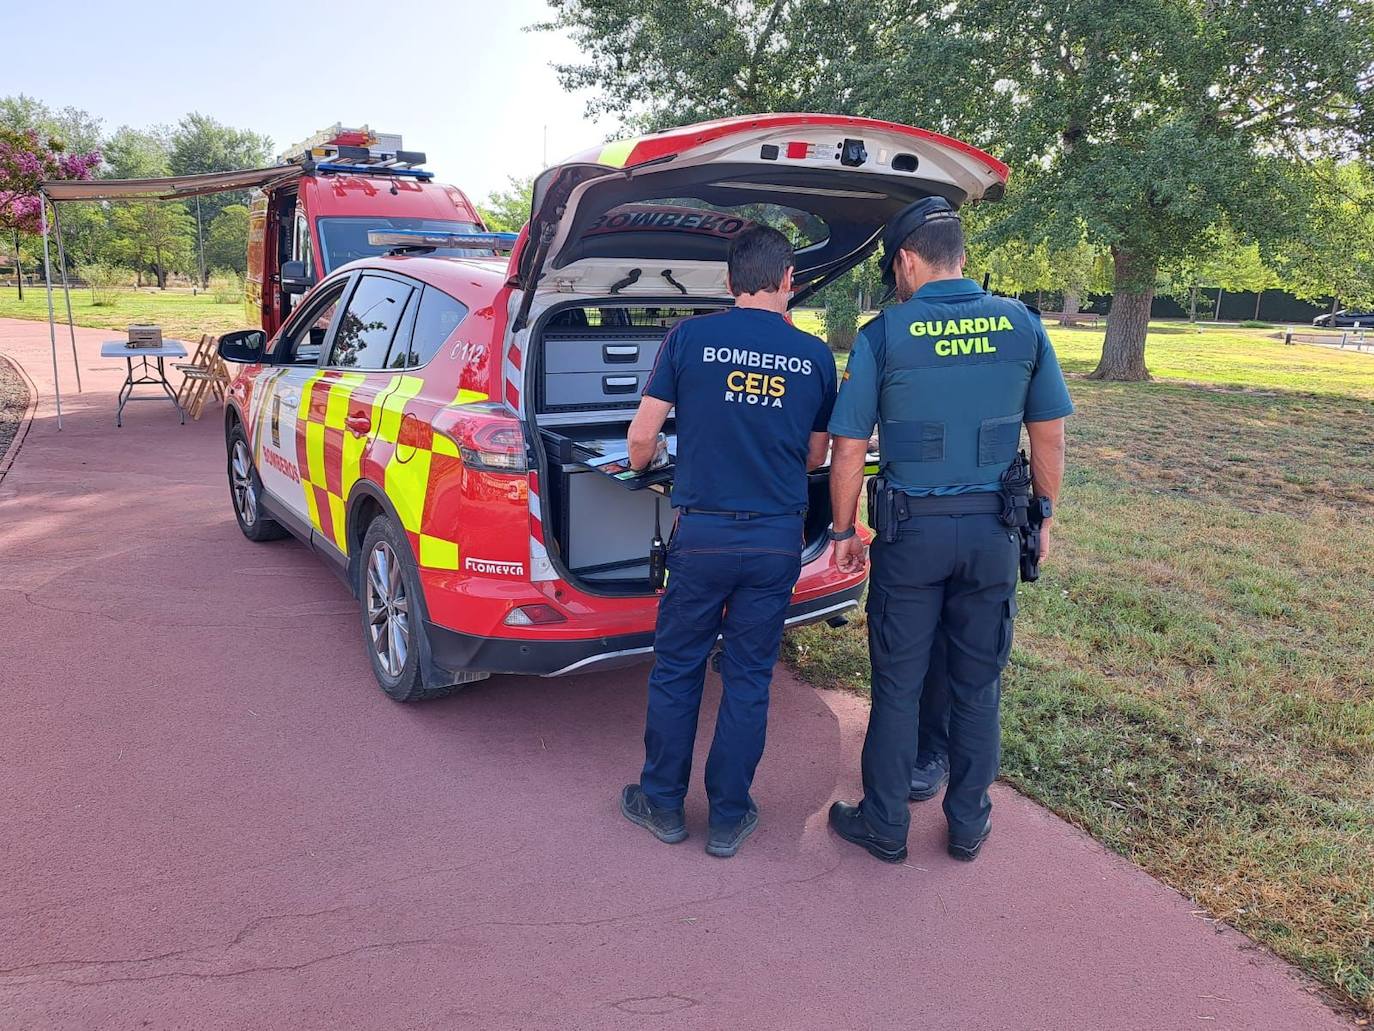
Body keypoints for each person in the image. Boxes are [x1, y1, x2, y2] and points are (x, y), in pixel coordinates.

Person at [825, 197, 1072, 864]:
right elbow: (1047, 432)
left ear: (907, 260)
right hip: (994, 531)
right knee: (977, 684)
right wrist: (1042, 516)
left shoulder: (885, 334)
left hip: (912, 536)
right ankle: (967, 823)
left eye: (892, 270)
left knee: (898, 685)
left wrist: (844, 527)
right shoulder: (1022, 324)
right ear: (960, 254)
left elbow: (848, 448)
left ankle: (884, 824)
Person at [619, 224, 837, 859]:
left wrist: (649, 461)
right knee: (747, 678)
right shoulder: (816, 356)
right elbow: (815, 454)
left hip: (703, 535)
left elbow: (641, 438)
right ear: (788, 280)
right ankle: (728, 816)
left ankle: (661, 803)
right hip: (774, 539)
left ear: (730, 281)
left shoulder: (690, 337)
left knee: (679, 666)